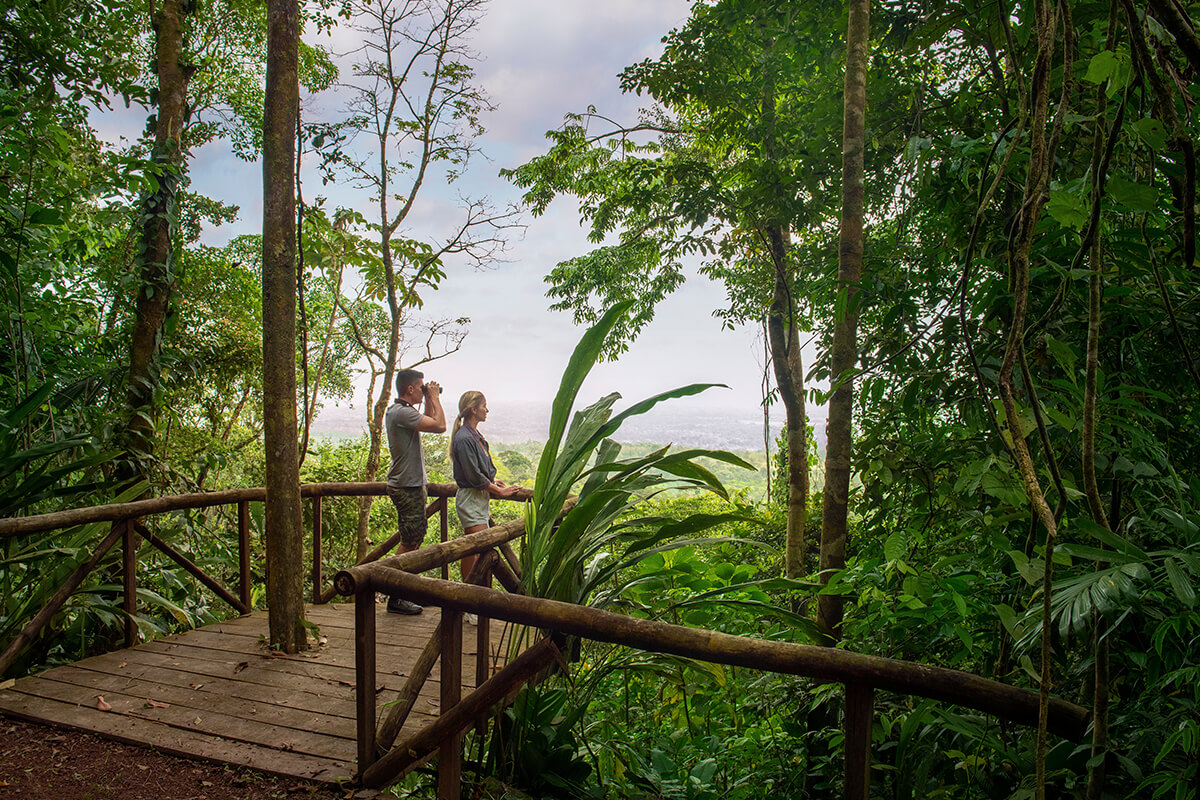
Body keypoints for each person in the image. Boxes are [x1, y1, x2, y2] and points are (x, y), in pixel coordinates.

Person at [383, 368, 446, 614]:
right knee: (410, 541)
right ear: (410, 389)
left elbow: (429, 420)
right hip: (406, 485)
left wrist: (429, 397)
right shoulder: (400, 412)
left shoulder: (403, 412)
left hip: (410, 484)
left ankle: (402, 591)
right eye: (421, 387)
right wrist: (436, 397)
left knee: (415, 538)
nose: (423, 390)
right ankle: (395, 595)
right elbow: (440, 426)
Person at [450, 391, 520, 592]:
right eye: (484, 406)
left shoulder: (474, 435)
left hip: (478, 497)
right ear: (473, 409)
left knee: (473, 550)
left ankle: (470, 598)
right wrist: (500, 492)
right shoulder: (464, 438)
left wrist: (492, 481)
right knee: (477, 551)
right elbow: (473, 477)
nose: (487, 410)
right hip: (471, 498)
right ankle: (471, 599)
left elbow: (478, 472)